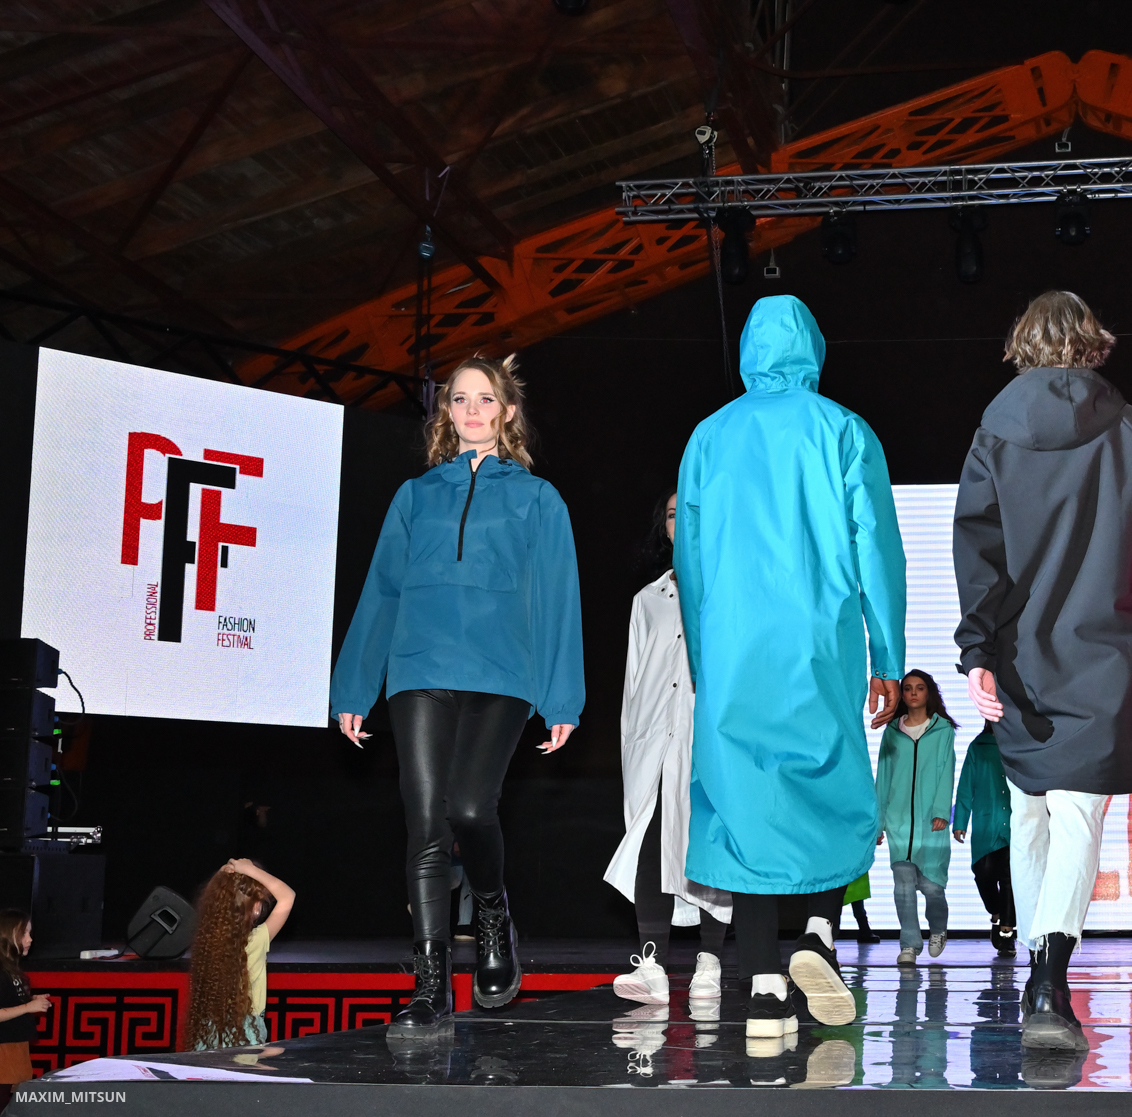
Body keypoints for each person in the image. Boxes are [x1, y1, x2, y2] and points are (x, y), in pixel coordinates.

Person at [953, 290, 1132, 1051]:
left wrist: (977, 650)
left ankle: (1044, 970)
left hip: (1022, 652)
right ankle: (1049, 977)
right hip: (1106, 651)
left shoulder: (994, 434)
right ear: (1093, 342)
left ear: (1022, 344)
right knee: (1074, 814)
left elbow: (978, 549)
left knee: (1033, 813)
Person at [331, 354, 585, 1040]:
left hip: (503, 674)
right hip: (419, 667)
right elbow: (382, 589)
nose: (473, 409)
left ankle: (493, 909)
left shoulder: (538, 499)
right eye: (460, 399)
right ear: (447, 412)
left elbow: (557, 598)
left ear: (508, 411)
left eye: (485, 398)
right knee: (425, 826)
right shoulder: (416, 496)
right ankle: (430, 986)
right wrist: (355, 683)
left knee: (470, 807)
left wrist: (562, 697)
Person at [676, 295, 907, 1041]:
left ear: (748, 347)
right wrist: (888, 656)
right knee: (831, 789)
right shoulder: (844, 429)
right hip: (819, 641)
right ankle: (816, 934)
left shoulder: (709, 435)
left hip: (735, 644)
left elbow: (691, 560)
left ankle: (765, 992)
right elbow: (877, 548)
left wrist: (705, 658)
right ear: (813, 345)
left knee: (746, 807)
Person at [607, 492, 732, 1006]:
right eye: (674, 514)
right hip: (654, 739)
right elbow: (633, 682)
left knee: (707, 841)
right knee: (650, 839)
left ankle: (709, 960)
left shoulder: (729, 589)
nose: (682, 521)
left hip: (708, 738)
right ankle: (652, 963)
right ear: (665, 526)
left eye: (692, 512)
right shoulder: (648, 599)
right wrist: (631, 746)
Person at [878, 670, 957, 965]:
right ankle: (909, 944)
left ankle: (938, 929)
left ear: (928, 693)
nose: (913, 693)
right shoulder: (892, 732)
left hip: (930, 822)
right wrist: (879, 821)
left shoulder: (943, 730)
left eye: (919, 688)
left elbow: (947, 771)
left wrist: (941, 811)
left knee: (932, 887)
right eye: (908, 688)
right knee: (903, 886)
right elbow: (883, 777)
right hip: (898, 821)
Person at [185, 859, 295, 1050]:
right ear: (256, 907)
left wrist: (223, 875)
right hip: (245, 1032)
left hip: (209, 1032)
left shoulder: (208, 943)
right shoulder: (255, 940)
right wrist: (250, 870)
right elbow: (287, 896)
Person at [952, 723, 1017, 957]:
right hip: (985, 822)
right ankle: (996, 913)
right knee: (983, 873)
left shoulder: (1020, 744)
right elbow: (965, 786)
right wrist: (960, 822)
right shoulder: (978, 746)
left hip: (1015, 820)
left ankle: (1007, 932)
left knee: (1010, 877)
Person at [0, 910, 49, 1098]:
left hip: (15, 1048)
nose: (29, 939)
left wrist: (30, 1001)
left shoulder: (11, 969)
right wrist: (27, 1007)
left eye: (29, 933)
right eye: (23, 934)